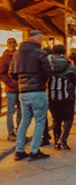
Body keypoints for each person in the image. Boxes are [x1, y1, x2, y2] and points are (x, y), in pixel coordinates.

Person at [10, 30, 52, 161]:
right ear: (38, 39)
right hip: (37, 91)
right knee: (40, 121)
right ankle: (34, 150)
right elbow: (48, 72)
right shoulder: (40, 53)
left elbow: (12, 73)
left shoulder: (17, 53)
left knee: (24, 121)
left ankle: (19, 150)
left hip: (23, 92)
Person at [48, 45, 76, 150]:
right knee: (68, 119)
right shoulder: (70, 66)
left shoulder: (49, 65)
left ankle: (56, 141)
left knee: (56, 119)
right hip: (67, 96)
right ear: (65, 52)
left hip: (53, 96)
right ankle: (63, 139)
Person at [0, 38, 21, 140]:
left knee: (21, 111)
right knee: (10, 111)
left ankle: (19, 131)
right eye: (10, 43)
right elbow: (2, 73)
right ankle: (11, 132)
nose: (12, 44)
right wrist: (10, 83)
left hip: (21, 88)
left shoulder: (20, 55)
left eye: (14, 42)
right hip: (11, 89)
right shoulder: (4, 57)